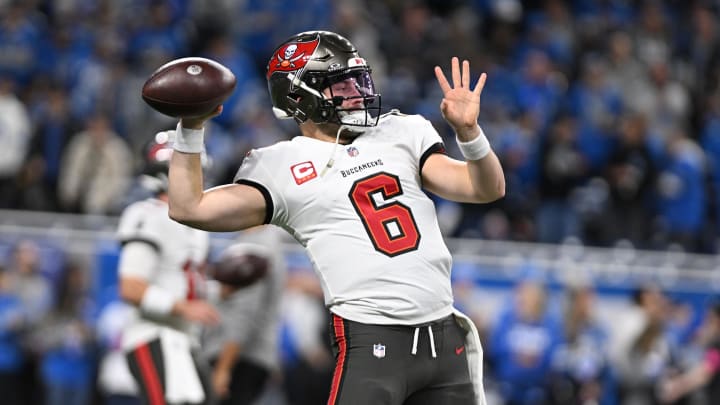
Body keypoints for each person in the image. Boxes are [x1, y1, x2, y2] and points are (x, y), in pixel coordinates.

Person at [167, 30, 505, 405]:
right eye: (340, 85)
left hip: (444, 341)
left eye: (357, 80)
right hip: (372, 339)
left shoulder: (400, 131)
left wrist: (470, 134)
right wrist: (191, 127)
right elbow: (188, 207)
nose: (356, 91)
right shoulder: (279, 165)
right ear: (299, 99)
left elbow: (484, 188)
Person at [117, 130, 219, 405]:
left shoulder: (196, 225)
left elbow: (184, 279)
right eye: (191, 168)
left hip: (185, 339)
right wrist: (184, 308)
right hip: (154, 335)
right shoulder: (146, 214)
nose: (200, 178)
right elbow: (130, 288)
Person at [201, 238, 286, 405]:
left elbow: (244, 316)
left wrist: (223, 368)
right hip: (247, 357)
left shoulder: (256, 247)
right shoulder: (262, 244)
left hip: (237, 358)